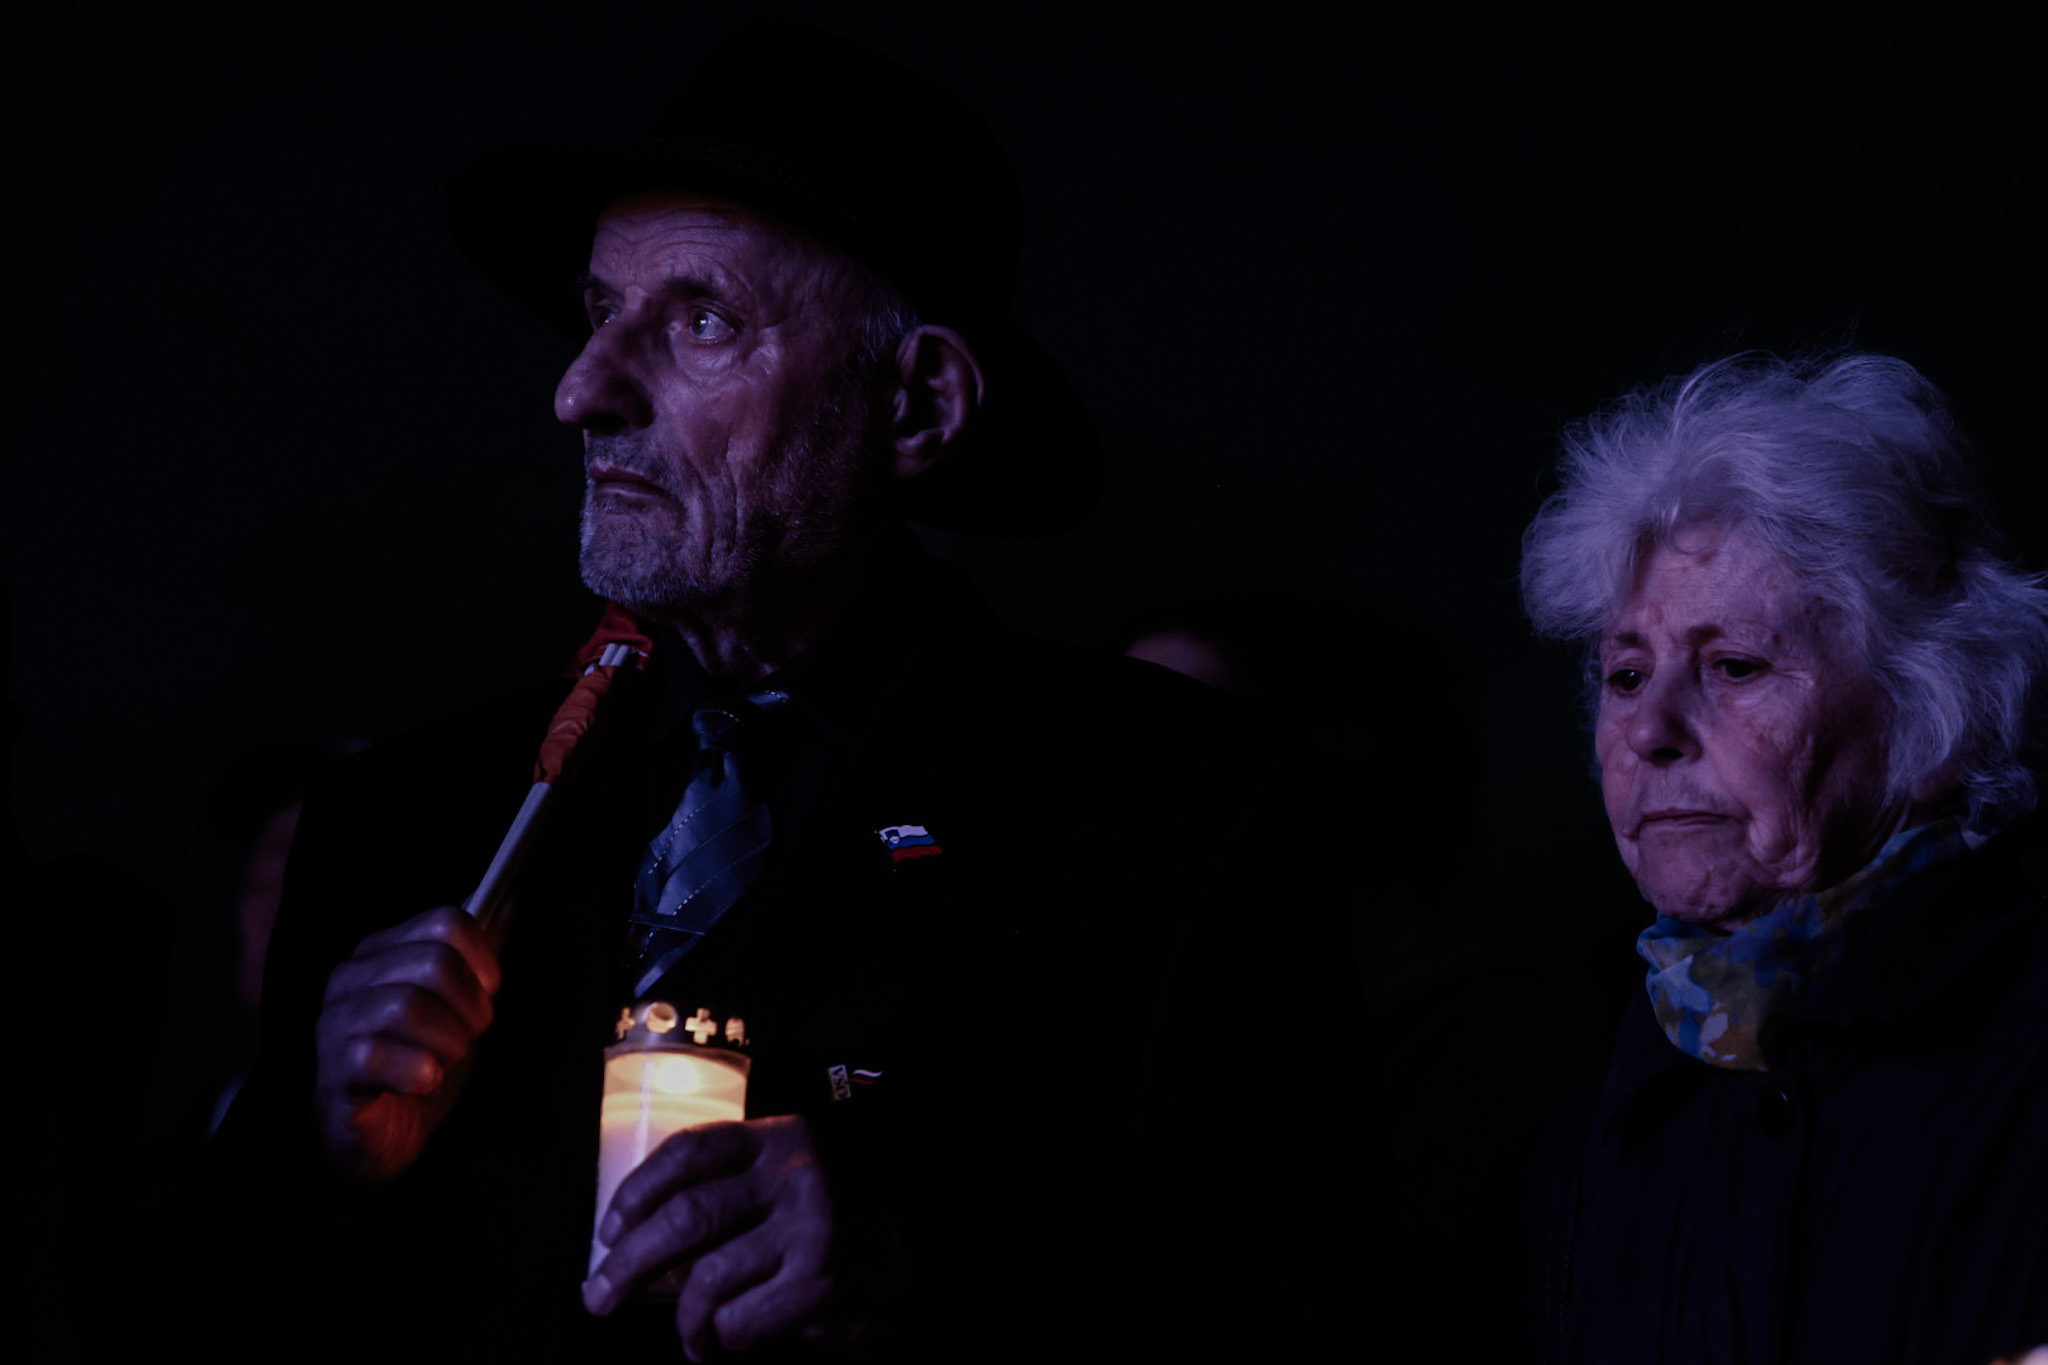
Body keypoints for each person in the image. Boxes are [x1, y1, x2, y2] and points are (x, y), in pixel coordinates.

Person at [165, 20, 1385, 1364]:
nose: (581, 391)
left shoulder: (1178, 810)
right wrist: (321, 1165)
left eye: (700, 321)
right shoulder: (396, 822)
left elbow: (1315, 1313)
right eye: (598, 315)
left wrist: (929, 1270)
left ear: (916, 406)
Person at [1510, 351, 2048, 1362]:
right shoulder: (1581, 1110)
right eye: (1625, 675)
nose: (1649, 729)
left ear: (1934, 714)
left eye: (1734, 665)